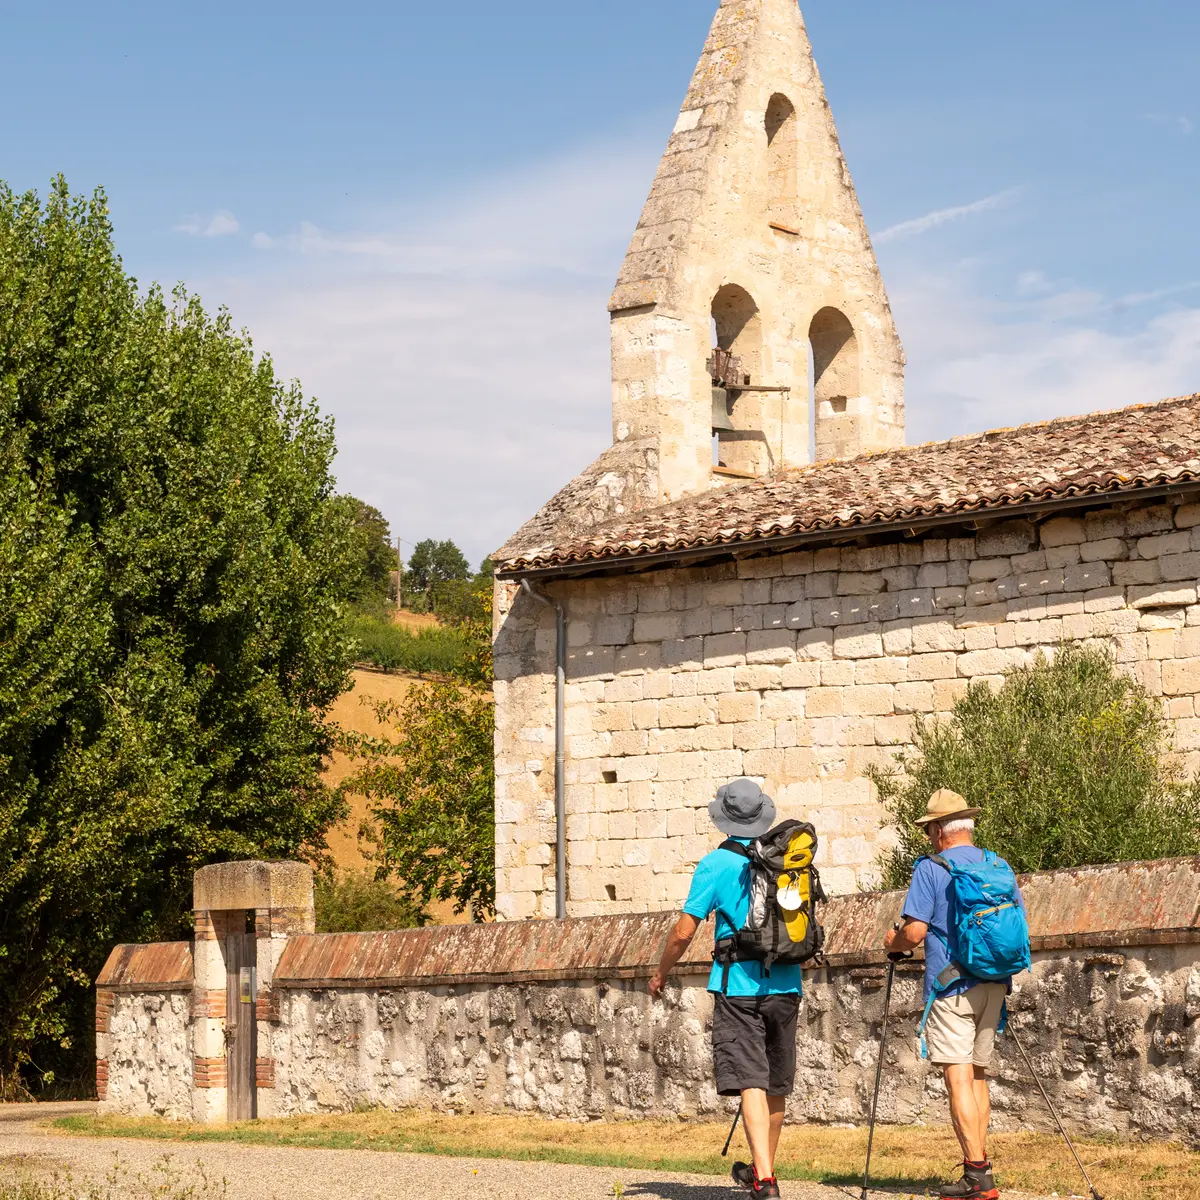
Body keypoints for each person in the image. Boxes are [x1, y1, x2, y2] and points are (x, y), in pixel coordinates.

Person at [649, 779, 799, 1199]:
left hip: (738, 986)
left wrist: (661, 971)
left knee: (752, 1080)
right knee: (775, 1085)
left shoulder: (715, 864)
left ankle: (765, 1180)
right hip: (786, 984)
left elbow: (683, 932)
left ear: (725, 818)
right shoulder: (785, 858)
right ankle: (761, 1167)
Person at [883, 789, 1025, 1200]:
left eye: (929, 828)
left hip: (951, 987)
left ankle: (977, 1175)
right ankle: (980, 1168)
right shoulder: (998, 865)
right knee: (978, 1077)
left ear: (940, 830)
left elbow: (915, 932)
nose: (929, 836)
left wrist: (892, 943)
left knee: (958, 1077)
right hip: (994, 983)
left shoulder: (931, 868)